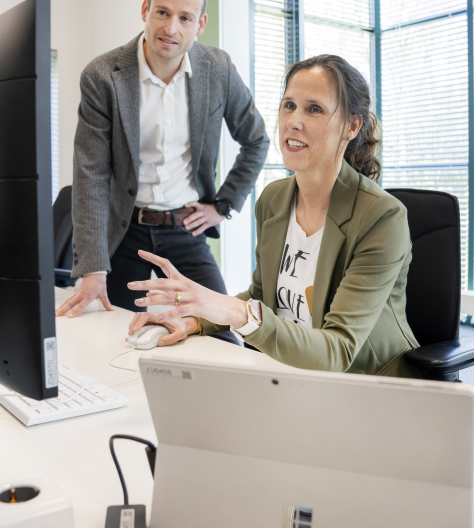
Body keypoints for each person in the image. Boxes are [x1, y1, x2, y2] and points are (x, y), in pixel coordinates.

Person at [125, 54, 423, 378]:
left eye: (314, 109)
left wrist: (236, 312)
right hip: (289, 378)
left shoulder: (382, 217)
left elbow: (338, 350)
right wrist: (192, 318)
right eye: (289, 105)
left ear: (352, 127)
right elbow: (261, 297)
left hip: (367, 390)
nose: (293, 121)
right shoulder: (273, 199)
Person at [56, 0, 269, 318]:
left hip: (185, 229)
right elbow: (90, 175)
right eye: (163, 12)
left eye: (185, 18)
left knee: (224, 333)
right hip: (124, 233)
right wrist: (92, 267)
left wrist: (223, 206)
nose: (171, 28)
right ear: (145, 10)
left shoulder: (217, 69)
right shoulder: (102, 76)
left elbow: (257, 140)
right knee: (118, 336)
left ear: (200, 24)